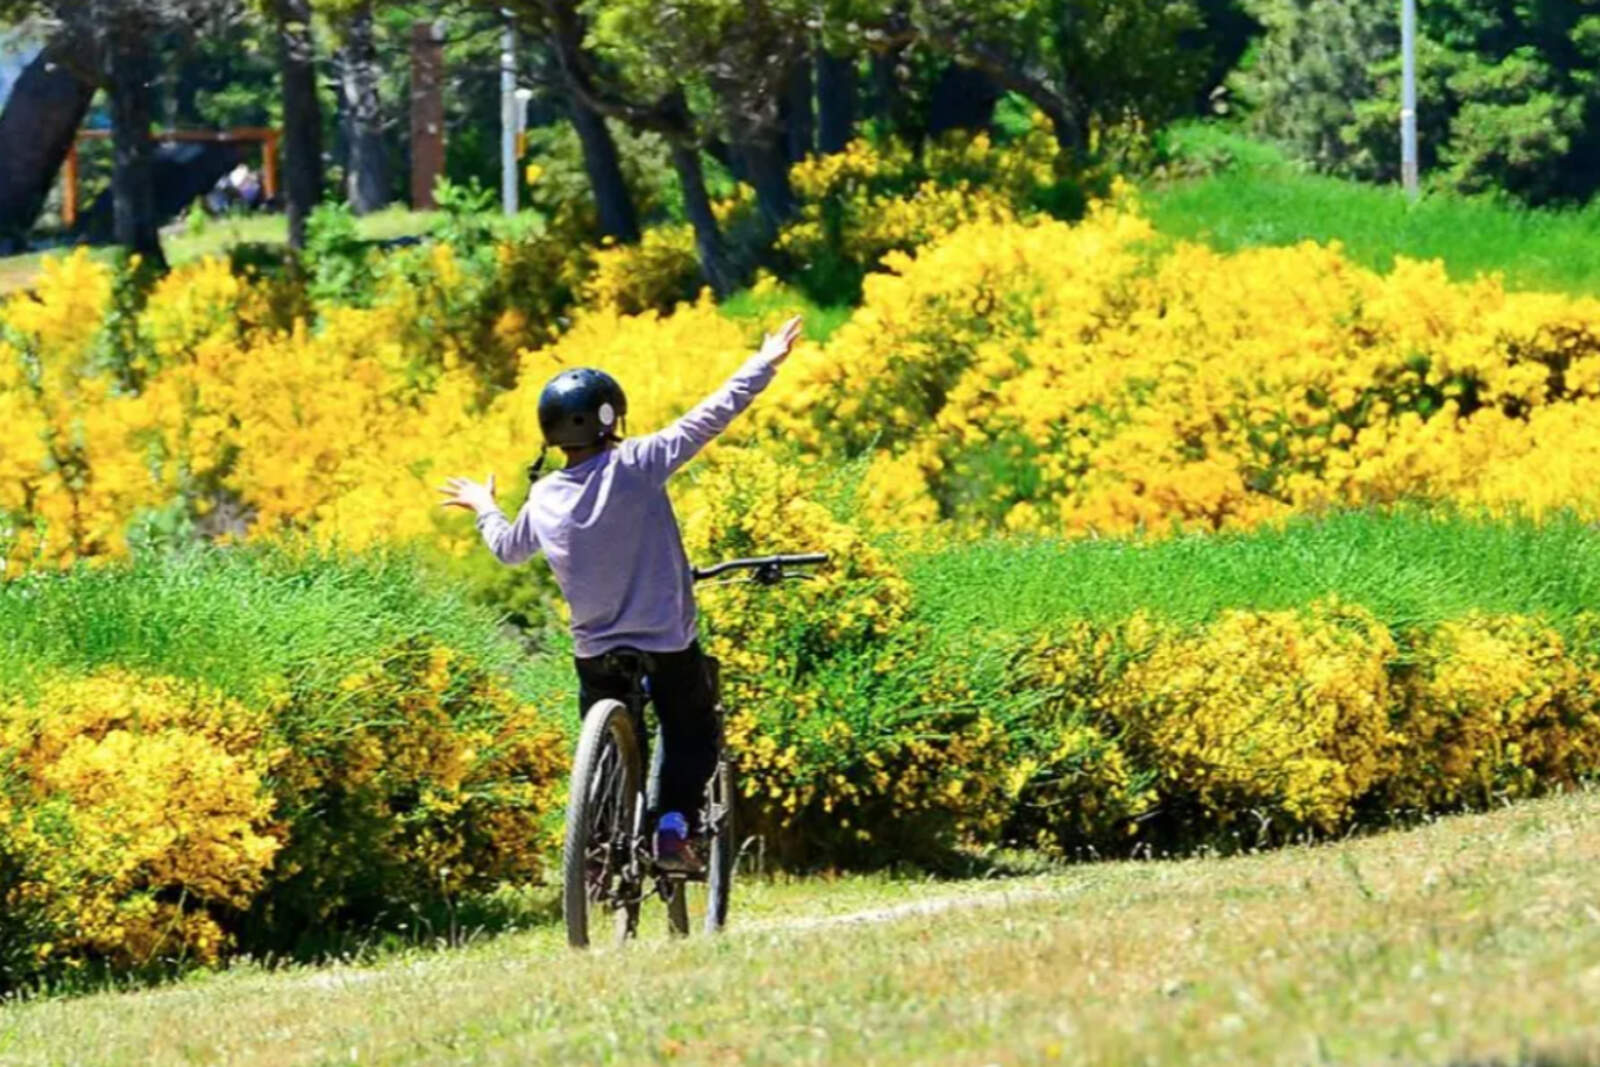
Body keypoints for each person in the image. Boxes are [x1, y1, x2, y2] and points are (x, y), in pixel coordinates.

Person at [438, 315, 804, 871]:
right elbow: (712, 415)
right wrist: (766, 361)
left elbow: (508, 549)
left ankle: (598, 837)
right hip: (665, 640)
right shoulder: (637, 463)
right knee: (690, 730)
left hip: (595, 654)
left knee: (611, 736)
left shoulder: (543, 498)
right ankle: (672, 828)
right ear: (610, 418)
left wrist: (484, 505)